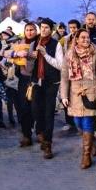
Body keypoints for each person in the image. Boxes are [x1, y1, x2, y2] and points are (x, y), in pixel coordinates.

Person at [60, 28, 96, 168]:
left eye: (88, 37)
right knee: (78, 122)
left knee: (87, 122)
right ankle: (92, 143)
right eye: (83, 38)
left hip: (91, 92)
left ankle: (86, 155)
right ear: (77, 39)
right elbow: (64, 77)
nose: (86, 40)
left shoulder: (95, 52)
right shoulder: (69, 54)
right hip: (74, 94)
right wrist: (63, 95)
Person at [29, 18, 63, 159]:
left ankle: (48, 144)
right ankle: (41, 133)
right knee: (36, 111)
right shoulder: (34, 42)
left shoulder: (56, 44)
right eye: (41, 27)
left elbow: (60, 65)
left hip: (51, 83)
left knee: (49, 114)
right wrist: (31, 57)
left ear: (51, 29)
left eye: (46, 28)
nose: (43, 30)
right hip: (37, 82)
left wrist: (45, 54)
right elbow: (28, 63)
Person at [3, 22, 38, 146]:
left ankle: (39, 132)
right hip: (22, 78)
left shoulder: (40, 42)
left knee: (36, 107)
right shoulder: (19, 42)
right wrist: (15, 54)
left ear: (36, 30)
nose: (30, 32)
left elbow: (38, 55)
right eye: (27, 30)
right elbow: (4, 53)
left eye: (32, 29)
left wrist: (29, 54)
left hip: (37, 78)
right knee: (23, 108)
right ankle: (26, 135)